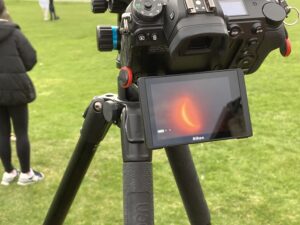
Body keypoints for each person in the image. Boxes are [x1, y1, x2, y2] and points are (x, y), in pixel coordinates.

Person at [0, 0, 44, 186]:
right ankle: (25, 174)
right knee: (21, 132)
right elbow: (31, 58)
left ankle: (9, 171)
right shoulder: (14, 32)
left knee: (2, 132)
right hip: (16, 87)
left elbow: (30, 60)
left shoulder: (14, 32)